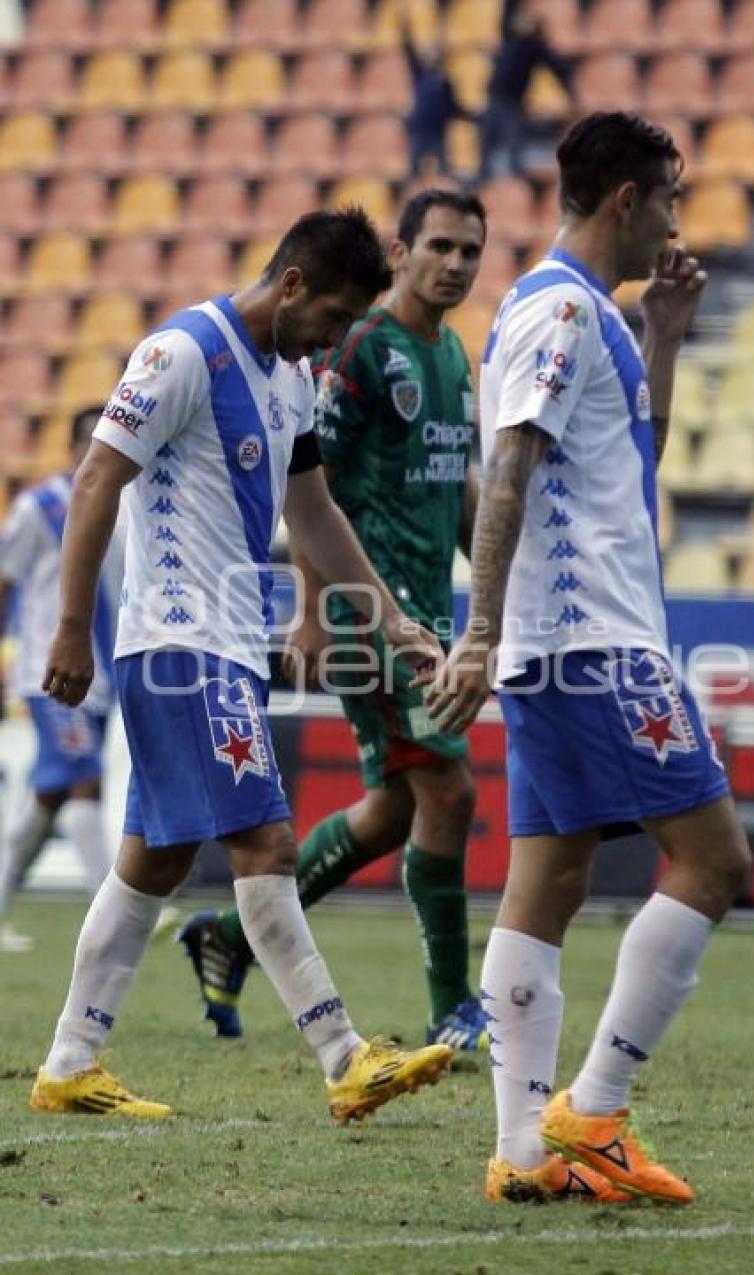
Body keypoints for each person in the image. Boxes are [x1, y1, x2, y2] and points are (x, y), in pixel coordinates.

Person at [29, 207, 455, 1122]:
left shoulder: (293, 380)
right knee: (265, 842)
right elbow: (100, 476)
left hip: (228, 642)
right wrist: (72, 627)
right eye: (335, 318)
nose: (339, 341)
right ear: (292, 285)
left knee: (154, 857)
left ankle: (69, 1061)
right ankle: (345, 1056)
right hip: (180, 642)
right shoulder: (183, 352)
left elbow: (314, 515)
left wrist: (394, 624)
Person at [427, 113, 751, 1204]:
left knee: (549, 883)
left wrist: (662, 334)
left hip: (559, 644)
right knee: (715, 861)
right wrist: (478, 629)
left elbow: (612, 465)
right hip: (593, 641)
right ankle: (595, 1108)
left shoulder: (569, 311)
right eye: (667, 197)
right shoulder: (563, 311)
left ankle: (524, 1152)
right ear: (625, 200)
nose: (673, 216)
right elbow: (511, 463)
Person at [178, 188, 491, 1052]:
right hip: (368, 614)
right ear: (403, 251)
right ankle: (453, 1006)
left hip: (425, 610)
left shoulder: (454, 357)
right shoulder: (356, 348)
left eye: (471, 251)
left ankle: (230, 936)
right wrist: (313, 609)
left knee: (393, 811)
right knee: (452, 789)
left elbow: (456, 487)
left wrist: (495, 585)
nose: (456, 265)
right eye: (440, 246)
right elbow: (308, 481)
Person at [0, 408, 119, 954]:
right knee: (83, 778)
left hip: (102, 671)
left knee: (49, 795)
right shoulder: (40, 507)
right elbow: (5, 583)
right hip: (51, 670)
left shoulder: (124, 504)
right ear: (75, 446)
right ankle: (112, 909)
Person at [477, 0, 570, 182]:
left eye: (526, 20)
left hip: (513, 104)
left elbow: (556, 67)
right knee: (484, 143)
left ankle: (516, 183)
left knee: (514, 147)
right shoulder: (509, 37)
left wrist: (569, 85)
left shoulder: (535, 47)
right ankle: (484, 178)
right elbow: (506, 13)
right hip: (494, 99)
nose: (521, 22)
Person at [398, 0, 469, 178]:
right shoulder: (420, 74)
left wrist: (471, 116)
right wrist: (404, 25)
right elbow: (409, 51)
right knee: (413, 173)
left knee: (445, 172)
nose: (432, 56)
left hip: (438, 134)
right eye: (430, 53)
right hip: (420, 131)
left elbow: (454, 107)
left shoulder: (446, 82)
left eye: (436, 53)